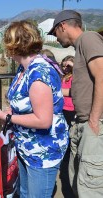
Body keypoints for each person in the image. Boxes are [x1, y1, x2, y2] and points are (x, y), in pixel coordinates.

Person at [0, 20, 68, 198]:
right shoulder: (24, 68)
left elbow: (43, 120)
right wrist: (10, 112)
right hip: (26, 145)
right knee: (24, 192)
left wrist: (6, 117)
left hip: (42, 152)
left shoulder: (38, 73)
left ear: (13, 45)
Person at [48, 10, 103, 197]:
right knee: (77, 179)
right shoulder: (80, 48)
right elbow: (80, 90)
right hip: (82, 123)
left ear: (62, 26)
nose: (56, 38)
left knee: (91, 187)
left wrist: (94, 120)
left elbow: (102, 75)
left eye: (55, 33)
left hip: (93, 124)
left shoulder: (88, 39)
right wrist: (50, 92)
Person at [60, 55, 76, 198]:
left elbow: (75, 92)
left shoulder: (76, 78)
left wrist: (74, 67)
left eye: (68, 66)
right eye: (63, 66)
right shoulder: (62, 77)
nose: (65, 69)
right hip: (63, 111)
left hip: (73, 112)